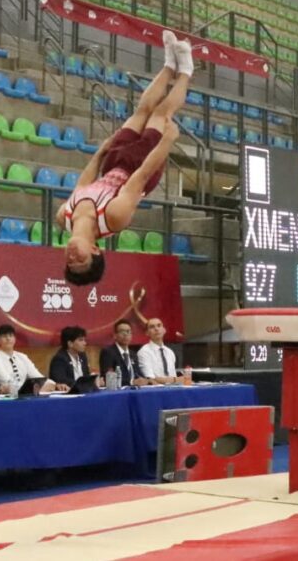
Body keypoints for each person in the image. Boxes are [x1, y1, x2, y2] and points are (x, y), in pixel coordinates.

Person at [59, 30, 191, 285]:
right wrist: (166, 142)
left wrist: (100, 152)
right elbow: (141, 177)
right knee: (161, 112)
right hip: (140, 167)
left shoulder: (63, 215)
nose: (73, 257)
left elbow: (83, 184)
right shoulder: (114, 218)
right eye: (81, 261)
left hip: (113, 164)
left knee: (141, 110)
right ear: (96, 251)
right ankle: (186, 70)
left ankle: (168, 64)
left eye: (69, 262)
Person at [0, 324, 65, 395]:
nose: (8, 338)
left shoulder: (22, 357)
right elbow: (8, 383)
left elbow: (38, 377)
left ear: (15, 339)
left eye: (11, 335)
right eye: (4, 336)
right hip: (7, 398)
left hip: (27, 394)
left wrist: (55, 385)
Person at [99, 319, 149, 387]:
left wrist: (146, 380)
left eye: (128, 331)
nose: (125, 334)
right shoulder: (108, 352)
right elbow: (108, 378)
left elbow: (138, 374)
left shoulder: (133, 354)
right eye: (122, 331)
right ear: (115, 335)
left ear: (131, 335)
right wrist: (131, 382)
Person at [137, 317, 181, 384]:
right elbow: (151, 379)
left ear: (164, 330)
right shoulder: (143, 352)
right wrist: (176, 379)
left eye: (159, 325)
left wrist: (175, 380)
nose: (156, 329)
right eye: (152, 327)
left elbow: (173, 377)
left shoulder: (170, 352)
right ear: (147, 333)